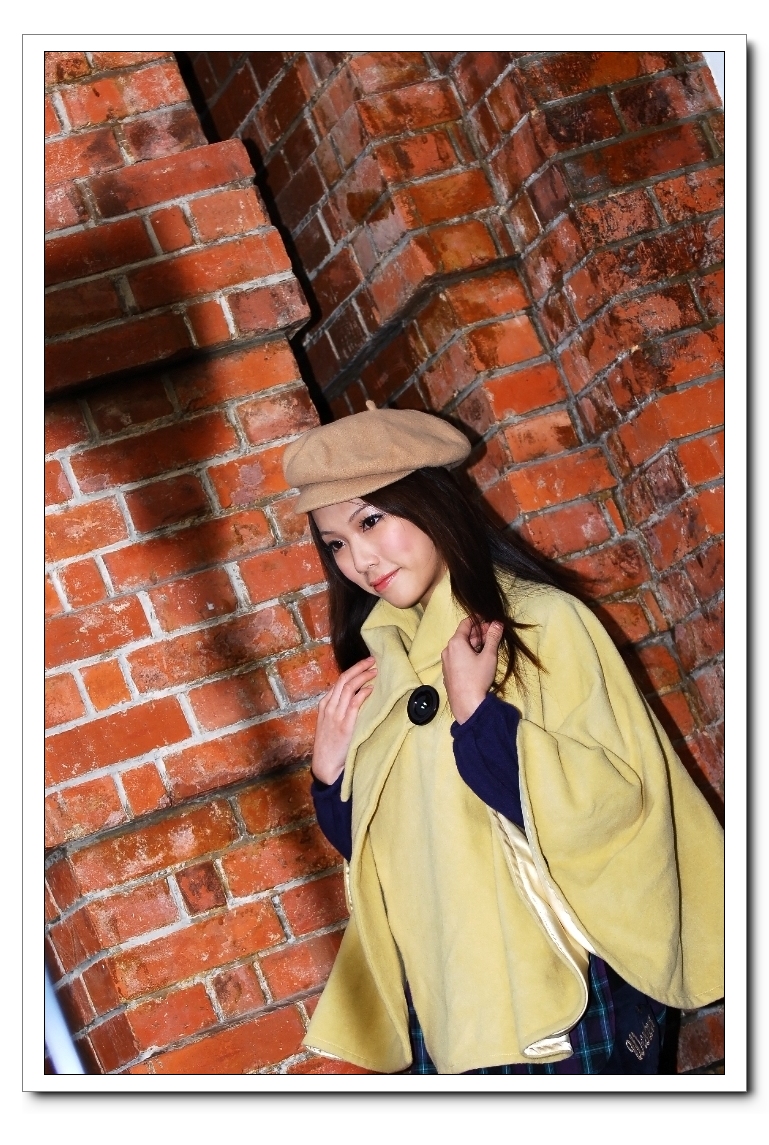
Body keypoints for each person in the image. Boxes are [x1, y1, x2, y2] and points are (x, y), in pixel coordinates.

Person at [281, 402, 724, 1076]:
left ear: (431, 502)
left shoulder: (541, 623)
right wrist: (330, 776)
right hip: (457, 1006)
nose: (359, 560)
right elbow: (392, 859)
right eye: (335, 543)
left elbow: (611, 804)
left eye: (370, 521)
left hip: (561, 992)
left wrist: (478, 717)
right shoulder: (384, 664)